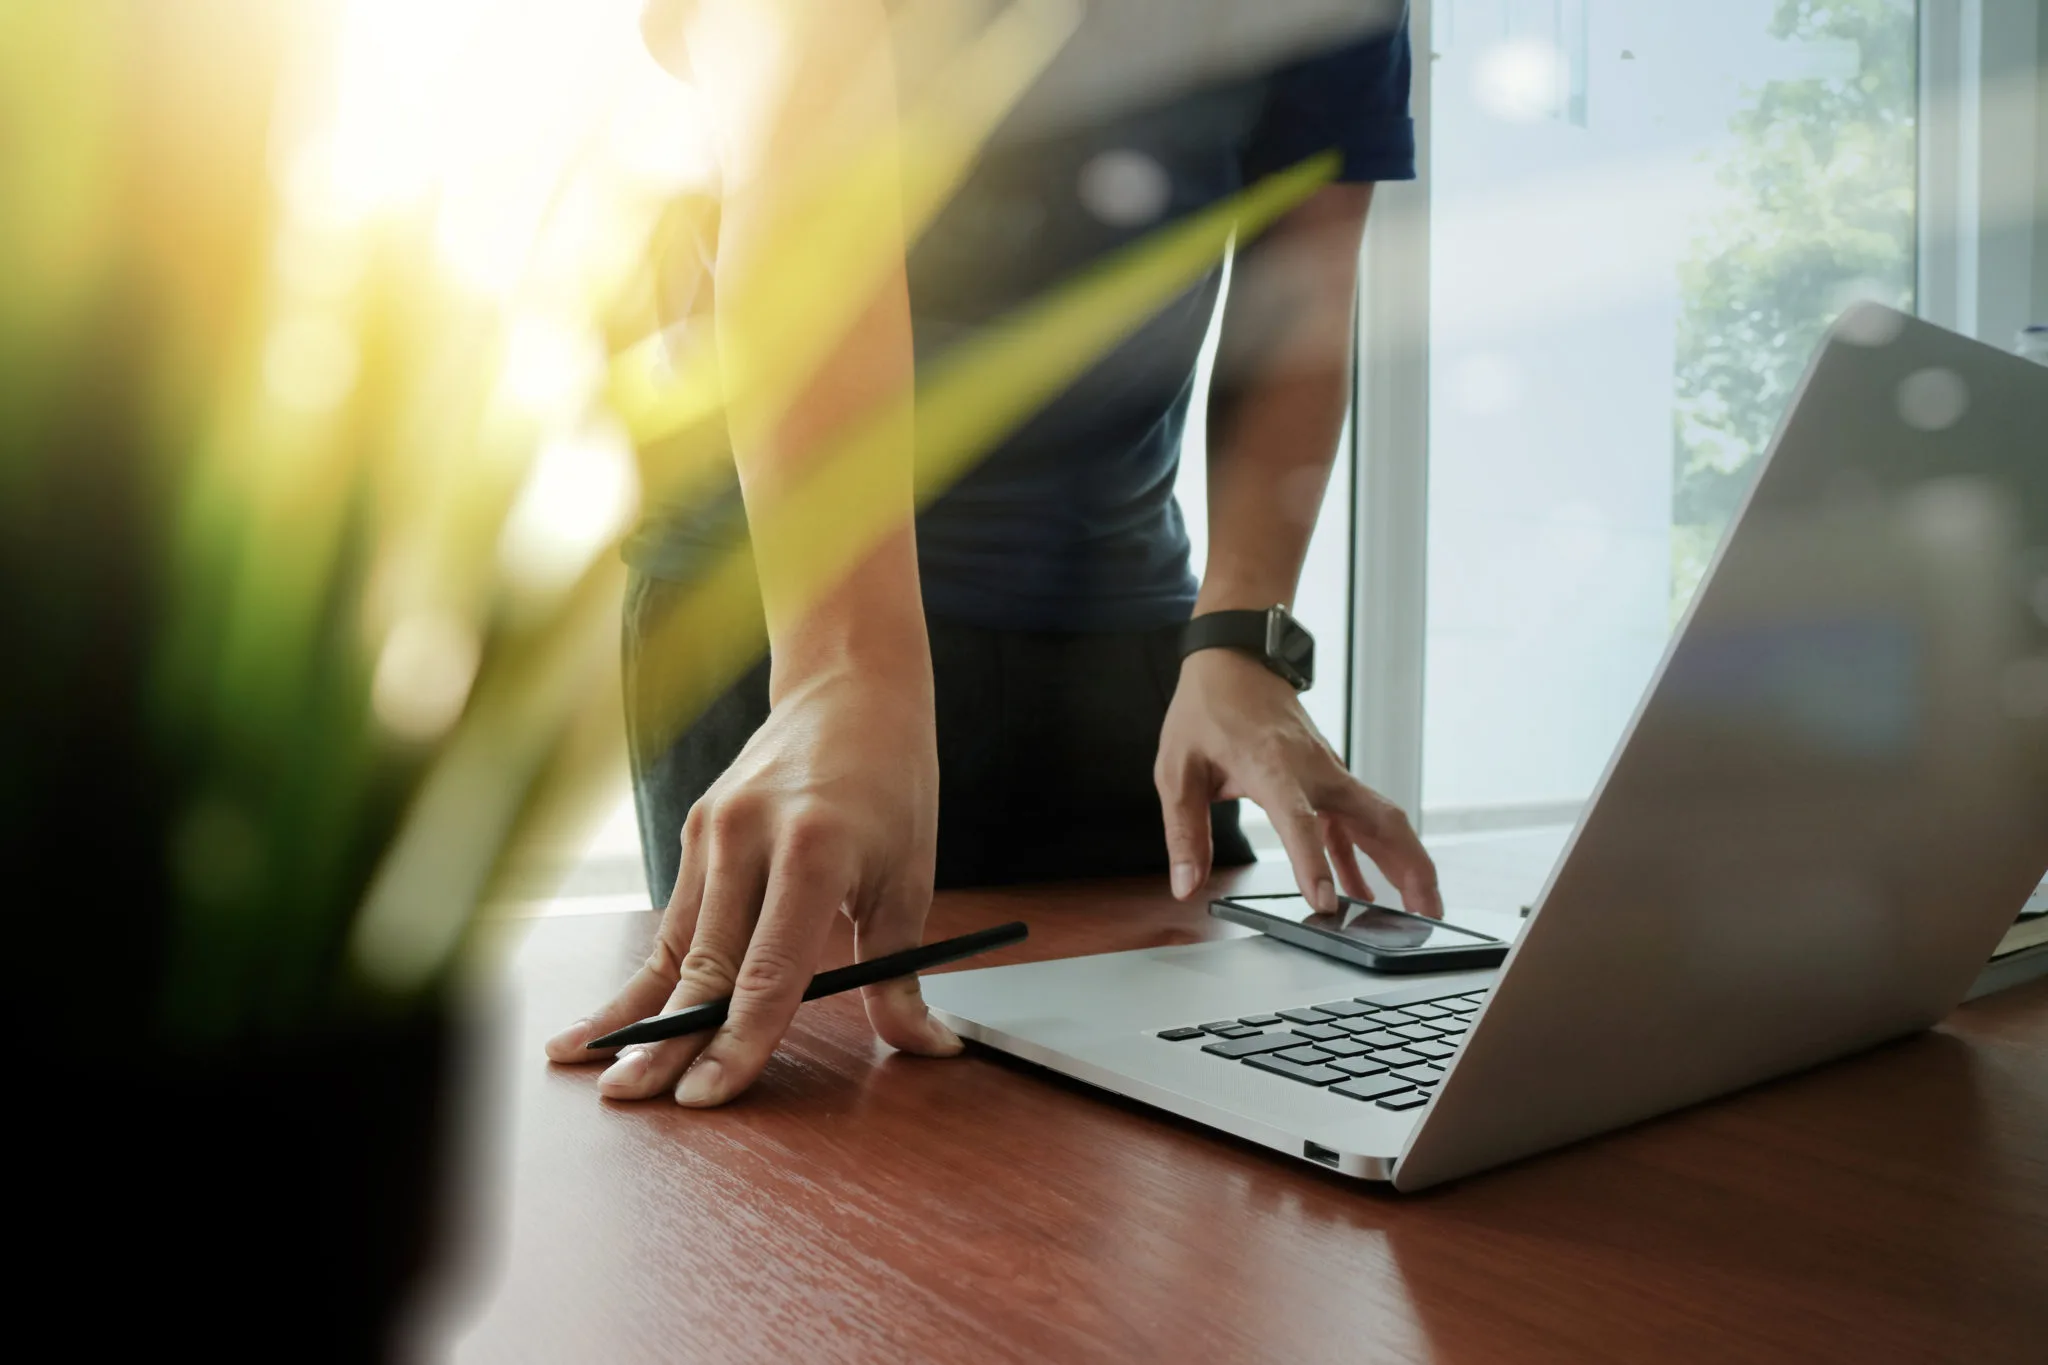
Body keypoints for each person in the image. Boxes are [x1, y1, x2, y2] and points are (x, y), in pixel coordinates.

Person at [547, 0, 1442, 1106]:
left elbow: (1298, 285)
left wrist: (1241, 640)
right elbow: (807, 173)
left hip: (1118, 634)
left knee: (1141, 1126)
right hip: (776, 608)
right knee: (783, 1120)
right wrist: (843, 667)